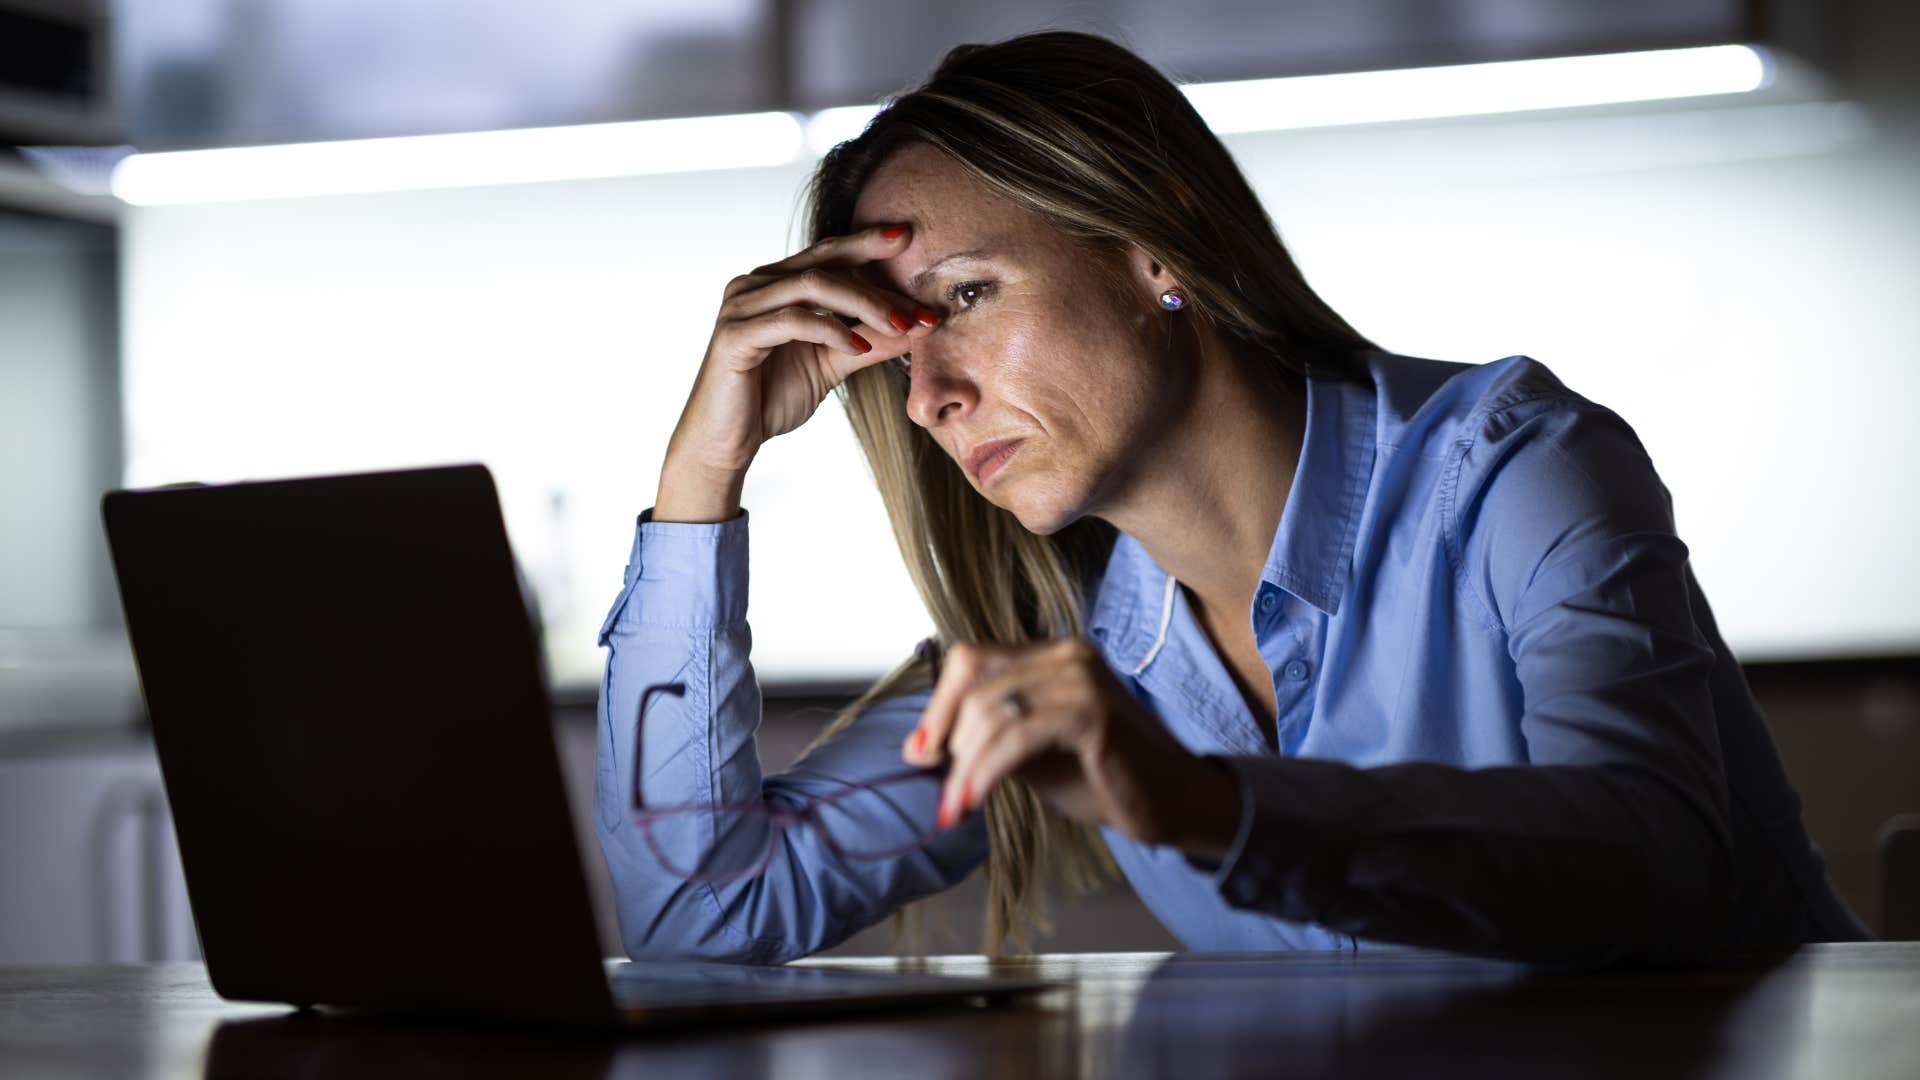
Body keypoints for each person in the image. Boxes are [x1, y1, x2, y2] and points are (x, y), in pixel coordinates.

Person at [595, 30, 1867, 966]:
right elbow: (701, 914)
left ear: (1155, 243)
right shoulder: (1063, 656)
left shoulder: (1516, 471)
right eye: (896, 354)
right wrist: (699, 480)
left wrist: (1206, 803)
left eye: (967, 296)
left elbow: (1654, 866)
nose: (928, 398)